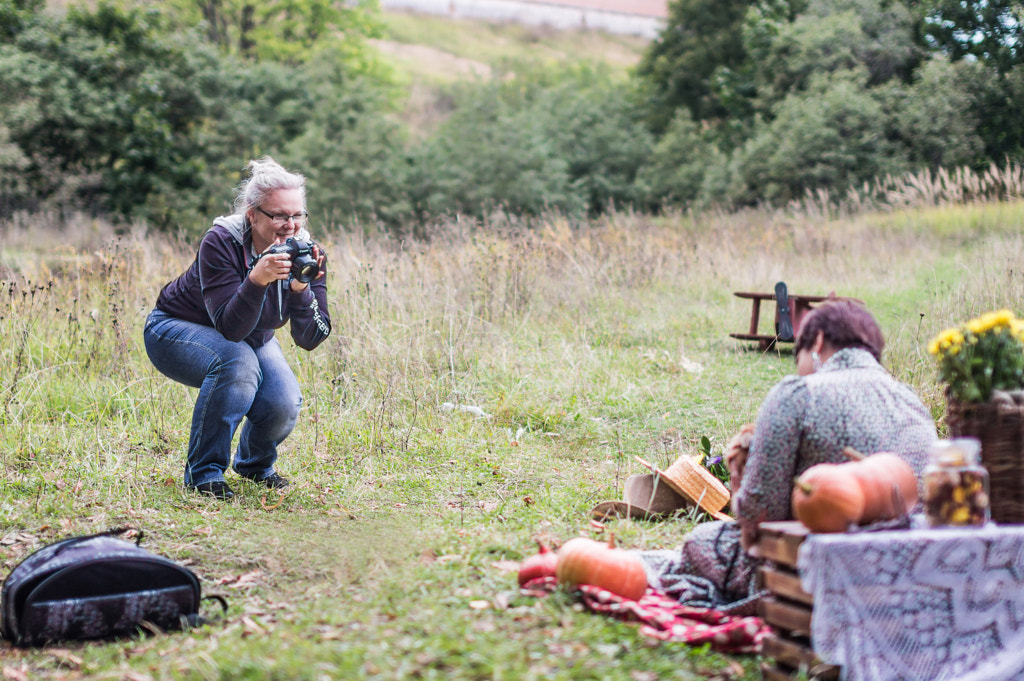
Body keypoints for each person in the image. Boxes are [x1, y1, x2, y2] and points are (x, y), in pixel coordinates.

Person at [640, 300, 937, 613]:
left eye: (798, 355)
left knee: (701, 541)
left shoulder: (799, 394)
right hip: (907, 566)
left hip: (821, 567)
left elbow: (758, 520)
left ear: (817, 342)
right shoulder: (913, 404)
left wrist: (739, 480)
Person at [144, 157, 331, 500]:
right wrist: (257, 280)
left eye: (297, 215)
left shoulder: (307, 253)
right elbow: (230, 328)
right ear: (253, 214)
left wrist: (301, 291)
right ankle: (204, 475)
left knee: (284, 402)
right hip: (175, 328)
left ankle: (255, 466)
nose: (290, 225)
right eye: (279, 215)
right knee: (237, 362)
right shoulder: (221, 242)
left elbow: (311, 338)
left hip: (252, 337)